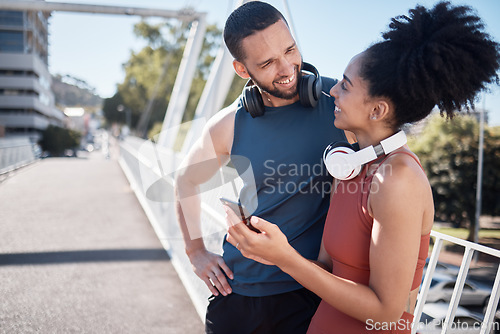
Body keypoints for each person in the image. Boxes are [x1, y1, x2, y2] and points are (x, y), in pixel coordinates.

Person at [225, 2, 500, 333]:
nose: (331, 91)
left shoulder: (397, 178)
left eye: (345, 84)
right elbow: (327, 270)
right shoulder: (352, 166)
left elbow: (385, 313)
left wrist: (287, 259)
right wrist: (267, 252)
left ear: (377, 110)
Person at [174, 1, 350, 333]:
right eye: (268, 63)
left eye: (290, 50)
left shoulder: (340, 102)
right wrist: (195, 251)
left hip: (311, 292)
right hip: (235, 292)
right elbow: (185, 181)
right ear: (242, 70)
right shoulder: (228, 124)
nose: (287, 68)